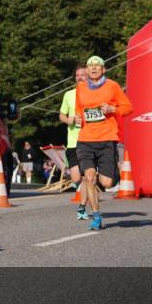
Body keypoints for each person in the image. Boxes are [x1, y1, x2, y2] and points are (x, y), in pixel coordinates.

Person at [75, 55, 133, 231]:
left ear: (103, 69)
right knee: (89, 177)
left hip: (107, 138)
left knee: (107, 183)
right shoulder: (81, 87)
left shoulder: (112, 86)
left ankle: (106, 178)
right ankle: (96, 216)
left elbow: (129, 108)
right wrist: (78, 118)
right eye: (90, 65)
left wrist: (112, 109)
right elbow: (79, 109)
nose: (93, 68)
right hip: (85, 139)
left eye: (97, 65)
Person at [59, 65, 89, 218]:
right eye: (77, 75)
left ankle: (83, 207)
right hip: (72, 142)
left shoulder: (95, 94)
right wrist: (69, 119)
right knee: (76, 178)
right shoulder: (68, 95)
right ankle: (88, 194)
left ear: (89, 76)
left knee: (86, 177)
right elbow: (61, 115)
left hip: (90, 140)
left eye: (83, 74)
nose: (80, 77)